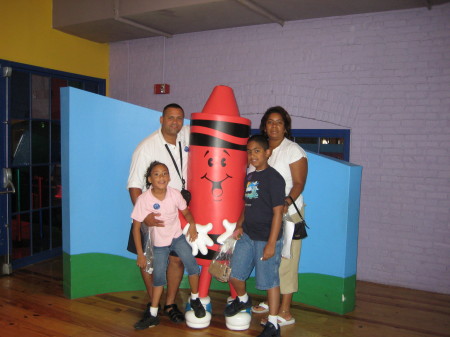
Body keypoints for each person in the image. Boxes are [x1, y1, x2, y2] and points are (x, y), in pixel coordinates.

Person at [127, 103, 189, 328]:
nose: (175, 122)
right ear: (161, 120)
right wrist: (144, 218)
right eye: (170, 118)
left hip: (175, 212)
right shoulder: (146, 147)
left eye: (179, 118)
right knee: (148, 262)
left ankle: (170, 304)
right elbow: (134, 185)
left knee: (177, 259)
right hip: (150, 215)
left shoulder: (187, 139)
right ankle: (153, 303)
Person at [251, 106, 308, 327]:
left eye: (279, 122)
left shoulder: (294, 150)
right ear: (264, 126)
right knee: (270, 259)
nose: (274, 126)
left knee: (286, 261)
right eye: (270, 122)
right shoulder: (260, 149)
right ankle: (271, 300)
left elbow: (299, 183)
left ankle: (284, 311)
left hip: (289, 214)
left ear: (285, 127)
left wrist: (285, 203)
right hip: (265, 216)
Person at [131, 161, 206, 328]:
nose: (161, 177)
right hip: (159, 245)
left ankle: (195, 299)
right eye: (156, 174)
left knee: (193, 266)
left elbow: (186, 212)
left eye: (164, 173)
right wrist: (140, 254)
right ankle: (153, 314)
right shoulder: (144, 199)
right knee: (158, 278)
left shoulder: (174, 194)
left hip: (177, 238)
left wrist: (192, 225)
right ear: (150, 179)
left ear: (169, 177)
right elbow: (136, 228)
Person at [224, 135, 286, 337]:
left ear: (268, 152)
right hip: (248, 236)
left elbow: (278, 212)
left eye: (257, 151)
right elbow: (247, 204)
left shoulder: (274, 178)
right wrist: (239, 225)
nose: (252, 155)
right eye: (249, 151)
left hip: (267, 238)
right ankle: (243, 300)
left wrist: (270, 244)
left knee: (269, 282)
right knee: (235, 275)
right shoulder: (250, 177)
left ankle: (274, 323)